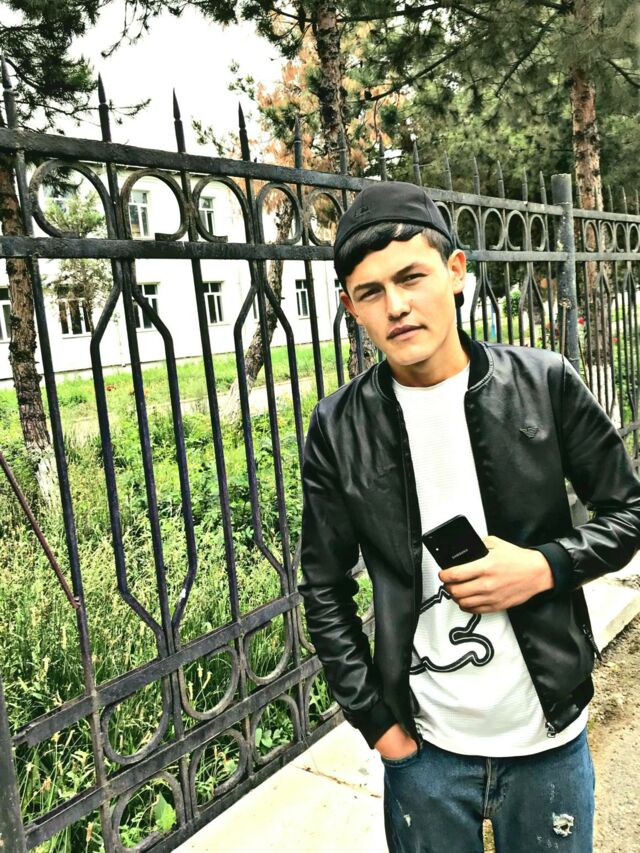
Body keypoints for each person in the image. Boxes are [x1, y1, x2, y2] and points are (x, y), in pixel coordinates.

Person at [299, 181, 640, 853]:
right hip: (424, 753)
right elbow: (323, 586)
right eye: (371, 292)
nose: (396, 306)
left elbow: (629, 510)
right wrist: (378, 726)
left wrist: (544, 566)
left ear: (456, 271)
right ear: (350, 307)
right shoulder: (338, 426)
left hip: (546, 738)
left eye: (411, 277)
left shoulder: (543, 382)